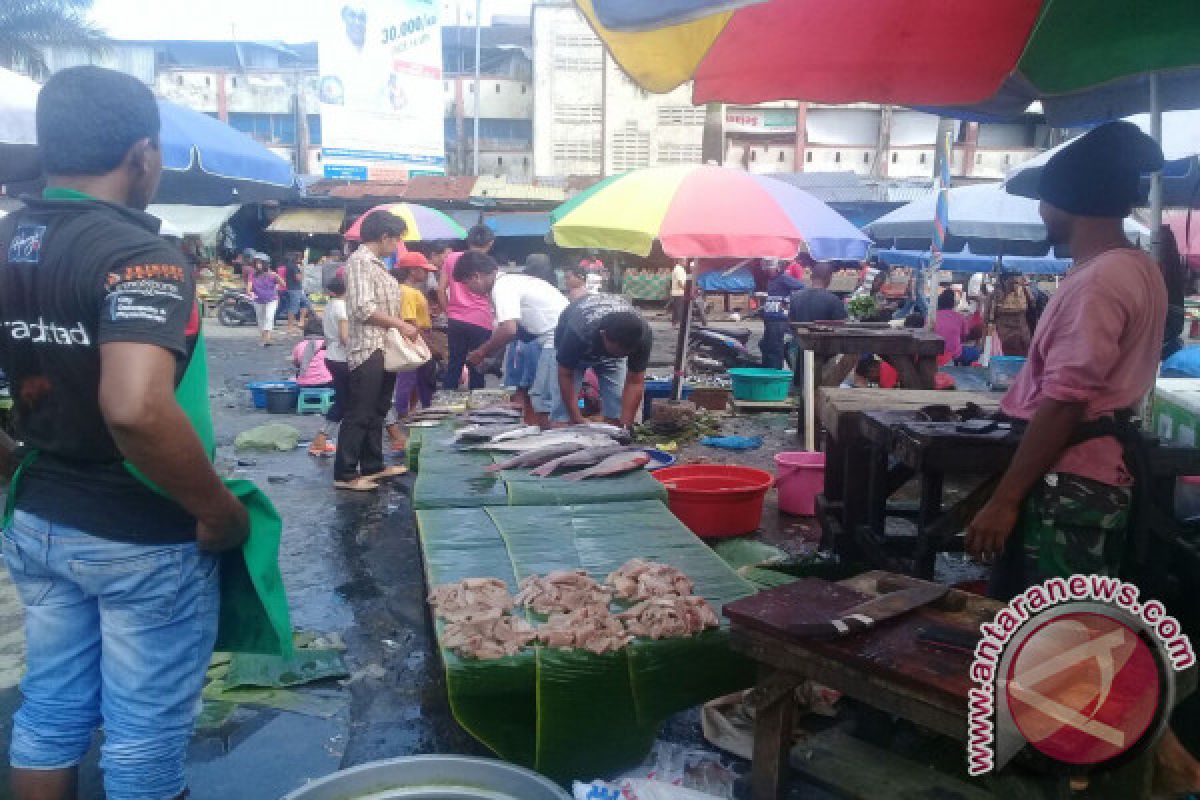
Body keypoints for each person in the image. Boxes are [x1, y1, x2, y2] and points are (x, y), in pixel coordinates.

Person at [0, 65, 250, 800]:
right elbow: (136, 408)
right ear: (143, 155)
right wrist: (218, 510)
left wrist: (11, 462)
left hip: (39, 516)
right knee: (143, 737)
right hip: (140, 536)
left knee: (50, 709)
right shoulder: (138, 255)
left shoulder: (8, 236)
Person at [335, 210, 419, 491]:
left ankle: (373, 465)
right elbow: (362, 308)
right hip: (368, 347)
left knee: (378, 410)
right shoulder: (360, 262)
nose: (396, 246)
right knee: (360, 411)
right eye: (396, 240)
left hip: (385, 347)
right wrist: (399, 324)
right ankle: (345, 473)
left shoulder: (378, 265)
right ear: (384, 237)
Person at [455, 252, 568, 426]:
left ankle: (551, 441)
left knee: (543, 398)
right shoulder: (511, 282)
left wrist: (482, 352)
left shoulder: (502, 287)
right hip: (555, 337)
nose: (468, 289)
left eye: (466, 283)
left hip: (557, 338)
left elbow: (508, 329)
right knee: (544, 395)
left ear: (476, 277)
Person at [554, 293, 653, 428]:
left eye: (625, 353)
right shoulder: (578, 332)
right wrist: (577, 418)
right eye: (617, 352)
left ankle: (613, 440)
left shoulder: (642, 336)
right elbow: (565, 374)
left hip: (610, 351)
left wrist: (625, 427)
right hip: (577, 353)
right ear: (603, 335)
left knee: (617, 410)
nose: (620, 355)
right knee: (562, 414)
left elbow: (635, 381)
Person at [438, 225, 495, 390]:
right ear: (490, 243)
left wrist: (449, 311)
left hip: (456, 318)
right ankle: (477, 407)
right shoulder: (487, 266)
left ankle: (446, 404)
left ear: (468, 240)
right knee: (477, 365)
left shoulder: (451, 258)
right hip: (481, 319)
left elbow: (440, 289)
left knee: (454, 364)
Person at [391, 251, 439, 422]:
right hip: (415, 336)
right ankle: (405, 413)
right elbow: (409, 320)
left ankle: (411, 411)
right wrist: (426, 343)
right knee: (411, 377)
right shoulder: (408, 292)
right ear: (413, 271)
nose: (427, 274)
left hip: (414, 335)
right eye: (423, 270)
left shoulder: (405, 290)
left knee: (416, 378)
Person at [309, 275, 350, 457]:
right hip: (342, 357)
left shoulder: (330, 306)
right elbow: (344, 336)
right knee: (344, 401)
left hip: (332, 356)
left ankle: (322, 439)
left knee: (344, 400)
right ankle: (320, 440)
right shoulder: (342, 307)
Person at [760, 259, 805, 369]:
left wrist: (788, 301)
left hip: (779, 319)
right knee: (765, 345)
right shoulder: (771, 280)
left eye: (769, 268)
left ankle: (775, 373)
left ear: (776, 267)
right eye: (766, 268)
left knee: (775, 348)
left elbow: (802, 287)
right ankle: (767, 370)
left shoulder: (784, 278)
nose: (767, 271)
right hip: (770, 318)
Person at [984, 271, 1033, 356]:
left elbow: (986, 319)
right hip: (1021, 336)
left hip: (1006, 337)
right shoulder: (1026, 293)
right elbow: (1032, 314)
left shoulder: (994, 296)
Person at [247, 251, 285, 346]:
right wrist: (250, 292)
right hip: (258, 300)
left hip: (271, 300)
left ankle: (267, 338)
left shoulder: (272, 275)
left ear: (265, 264)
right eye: (256, 263)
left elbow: (283, 284)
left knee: (269, 317)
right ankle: (263, 337)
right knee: (260, 319)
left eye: (260, 263)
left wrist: (277, 277)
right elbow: (249, 288)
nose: (258, 265)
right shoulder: (252, 274)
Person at [933, 288, 979, 366]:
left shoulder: (932, 316)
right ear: (953, 303)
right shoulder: (959, 317)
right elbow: (964, 336)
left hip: (935, 353)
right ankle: (964, 370)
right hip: (955, 354)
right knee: (976, 353)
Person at [291, 315, 333, 388]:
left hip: (303, 383)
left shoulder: (299, 345)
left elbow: (295, 363)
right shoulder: (327, 344)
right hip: (325, 382)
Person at [280, 252, 309, 334]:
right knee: (293, 308)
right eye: (300, 258)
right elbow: (298, 278)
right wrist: (302, 270)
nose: (301, 260)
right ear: (297, 258)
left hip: (296, 289)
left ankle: (301, 321)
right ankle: (290, 327)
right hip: (294, 289)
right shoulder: (294, 266)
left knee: (305, 303)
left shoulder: (289, 265)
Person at [669, 259, 688, 326]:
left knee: (676, 308)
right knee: (679, 308)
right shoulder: (678, 269)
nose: (686, 262)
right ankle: (679, 323)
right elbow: (680, 282)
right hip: (679, 292)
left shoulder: (681, 269)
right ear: (680, 261)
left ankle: (674, 322)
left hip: (678, 292)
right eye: (685, 261)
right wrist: (685, 290)